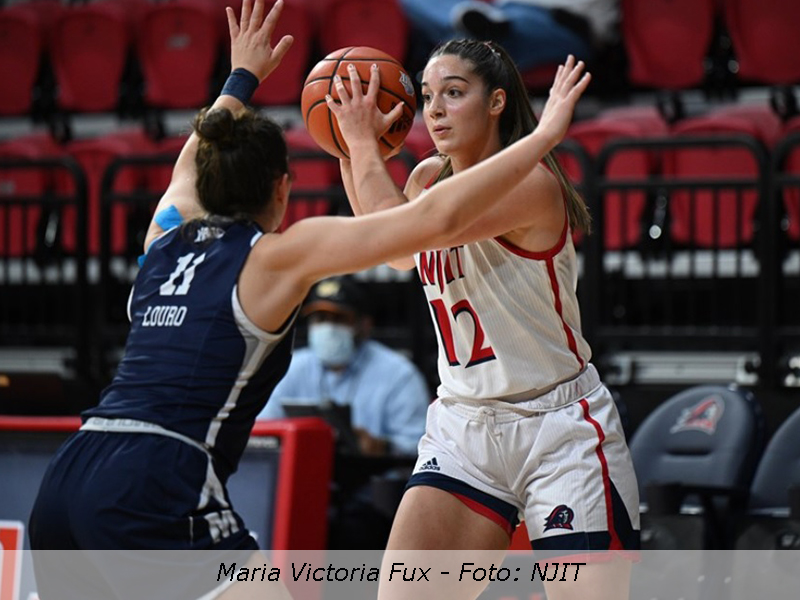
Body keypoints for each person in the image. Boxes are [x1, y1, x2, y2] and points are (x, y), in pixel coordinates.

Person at [26, 0, 591, 597]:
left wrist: (241, 77)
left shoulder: (164, 239)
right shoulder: (280, 255)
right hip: (155, 477)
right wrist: (543, 136)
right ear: (282, 190)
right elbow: (431, 222)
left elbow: (189, 163)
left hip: (70, 471)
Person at [332, 37, 638, 600]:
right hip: (463, 425)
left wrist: (360, 143)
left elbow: (411, 230)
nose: (435, 110)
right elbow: (395, 252)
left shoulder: (531, 184)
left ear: (497, 101)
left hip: (558, 427)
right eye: (427, 96)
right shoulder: (427, 178)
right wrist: (349, 149)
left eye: (454, 93)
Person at [258, 274, 429, 457]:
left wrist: (382, 447)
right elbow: (263, 429)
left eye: (339, 319)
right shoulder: (290, 368)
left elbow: (419, 446)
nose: (328, 328)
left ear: (364, 325)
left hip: (369, 472)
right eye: (320, 319)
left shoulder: (398, 374)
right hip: (300, 468)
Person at [400, 0, 618, 72]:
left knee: (461, 46)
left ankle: (463, 27)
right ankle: (465, 21)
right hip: (504, 13)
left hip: (564, 26)